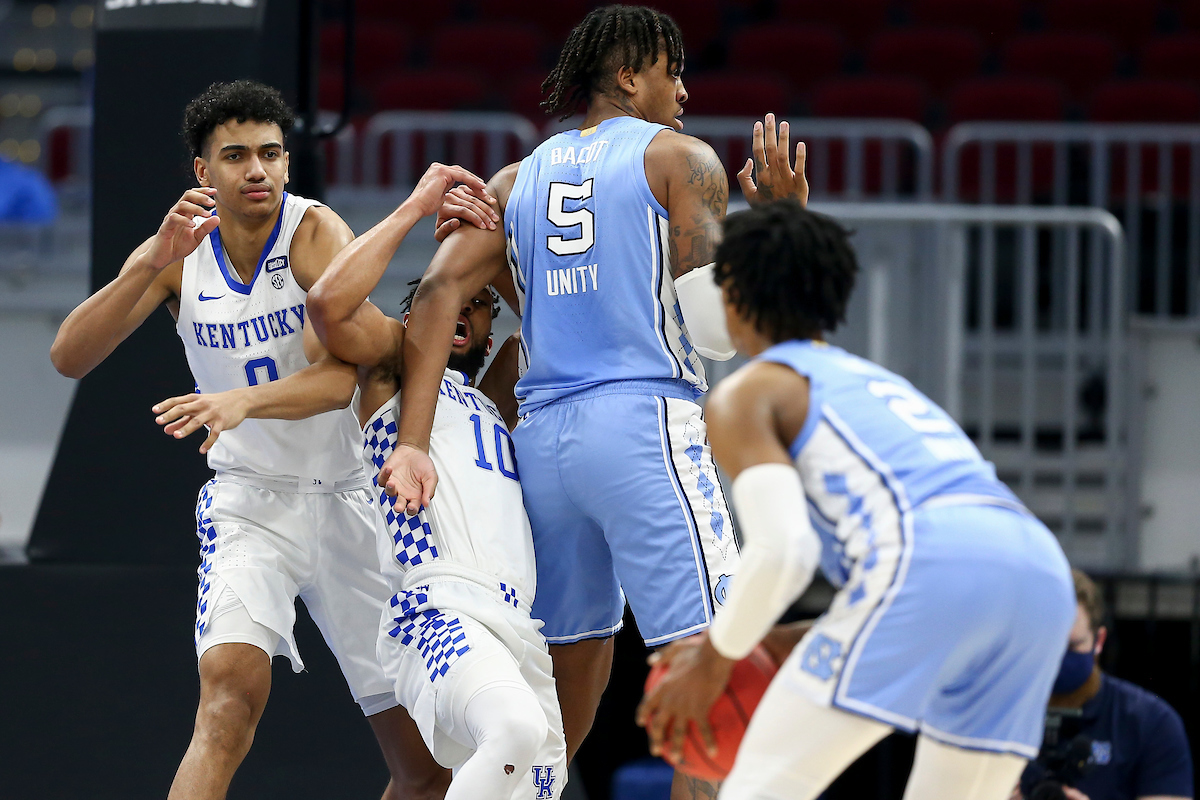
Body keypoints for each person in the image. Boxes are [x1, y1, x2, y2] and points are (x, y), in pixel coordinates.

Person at [378, 8, 806, 795]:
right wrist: (779, 220)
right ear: (627, 75)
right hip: (643, 428)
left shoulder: (516, 178)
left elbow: (438, 290)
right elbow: (714, 332)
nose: (684, 88)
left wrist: (411, 441)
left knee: (567, 679)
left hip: (541, 445)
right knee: (714, 670)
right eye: (672, 71)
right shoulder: (682, 159)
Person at [49, 80, 451, 800]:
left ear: (289, 164)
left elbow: (344, 378)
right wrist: (147, 261)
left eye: (269, 153)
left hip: (350, 498)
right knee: (228, 702)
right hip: (250, 504)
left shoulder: (313, 232)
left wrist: (243, 400)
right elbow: (69, 356)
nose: (257, 169)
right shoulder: (178, 251)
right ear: (204, 172)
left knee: (424, 766)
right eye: (236, 156)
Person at [637, 200, 1077, 800]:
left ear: (731, 291)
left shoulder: (747, 393)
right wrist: (785, 637)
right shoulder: (877, 383)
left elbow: (784, 551)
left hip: (932, 560)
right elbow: (938, 569)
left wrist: (717, 658)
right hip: (1040, 576)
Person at [304, 161, 567, 800]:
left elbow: (562, 321)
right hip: (438, 605)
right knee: (510, 732)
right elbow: (329, 306)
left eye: (483, 306)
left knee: (531, 773)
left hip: (519, 625)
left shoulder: (496, 397)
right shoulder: (393, 367)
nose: (468, 310)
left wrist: (501, 239)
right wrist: (418, 208)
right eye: (453, 296)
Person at [1016, 569, 1193, 800]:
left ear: (1098, 641)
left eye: (1071, 647)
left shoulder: (1150, 722)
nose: (1058, 659)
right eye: (1048, 647)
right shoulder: (989, 714)